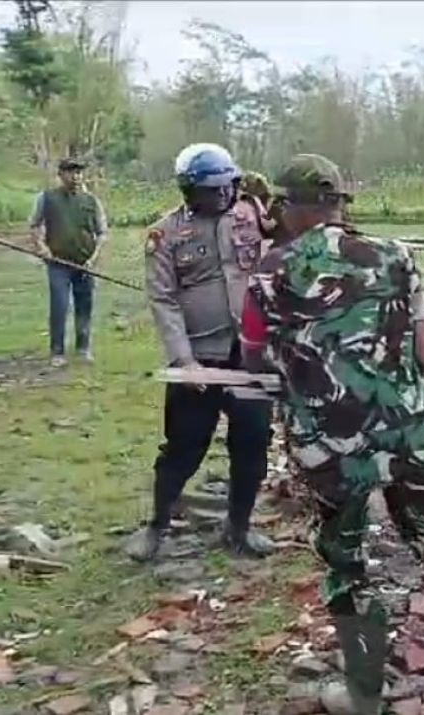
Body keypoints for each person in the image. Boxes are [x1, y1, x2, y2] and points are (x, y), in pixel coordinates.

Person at [241, 154, 424, 714]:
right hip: (409, 435)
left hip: (326, 448)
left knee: (348, 565)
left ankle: (363, 698)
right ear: (340, 204)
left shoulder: (266, 271)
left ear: (286, 207)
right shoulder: (396, 256)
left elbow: (255, 357)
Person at [123, 143, 275, 562]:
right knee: (184, 446)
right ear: (189, 190)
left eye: (228, 186)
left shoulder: (250, 217)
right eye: (213, 189)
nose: (223, 195)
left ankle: (239, 527)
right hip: (199, 358)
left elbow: (286, 239)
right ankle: (156, 525)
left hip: (249, 355)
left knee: (253, 442)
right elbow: (164, 299)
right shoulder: (166, 234)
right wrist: (184, 361)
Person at [29, 157, 108, 367]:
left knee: (85, 305)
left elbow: (101, 233)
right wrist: (42, 248)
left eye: (79, 172)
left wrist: (94, 258)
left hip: (84, 264)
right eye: (71, 172)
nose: (76, 176)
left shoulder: (92, 201)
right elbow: (34, 225)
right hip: (58, 263)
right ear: (61, 174)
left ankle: (83, 348)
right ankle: (57, 352)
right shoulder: (46, 198)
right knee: (60, 305)